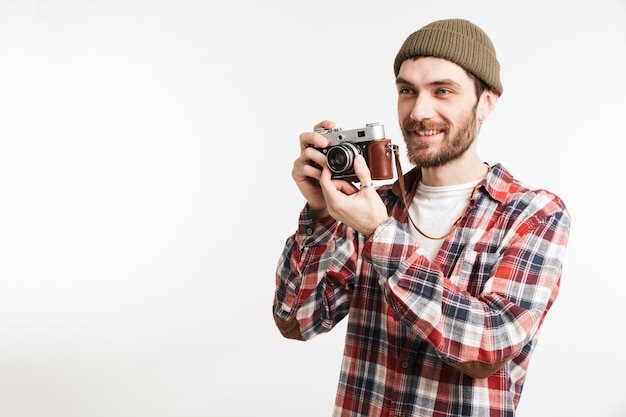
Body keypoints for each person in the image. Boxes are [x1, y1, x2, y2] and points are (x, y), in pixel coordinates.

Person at [273, 18, 570, 417]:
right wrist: (320, 215)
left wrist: (379, 233)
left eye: (442, 91)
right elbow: (297, 320)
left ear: (487, 101)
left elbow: (487, 347)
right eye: (407, 91)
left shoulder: (532, 213)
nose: (419, 111)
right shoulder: (371, 204)